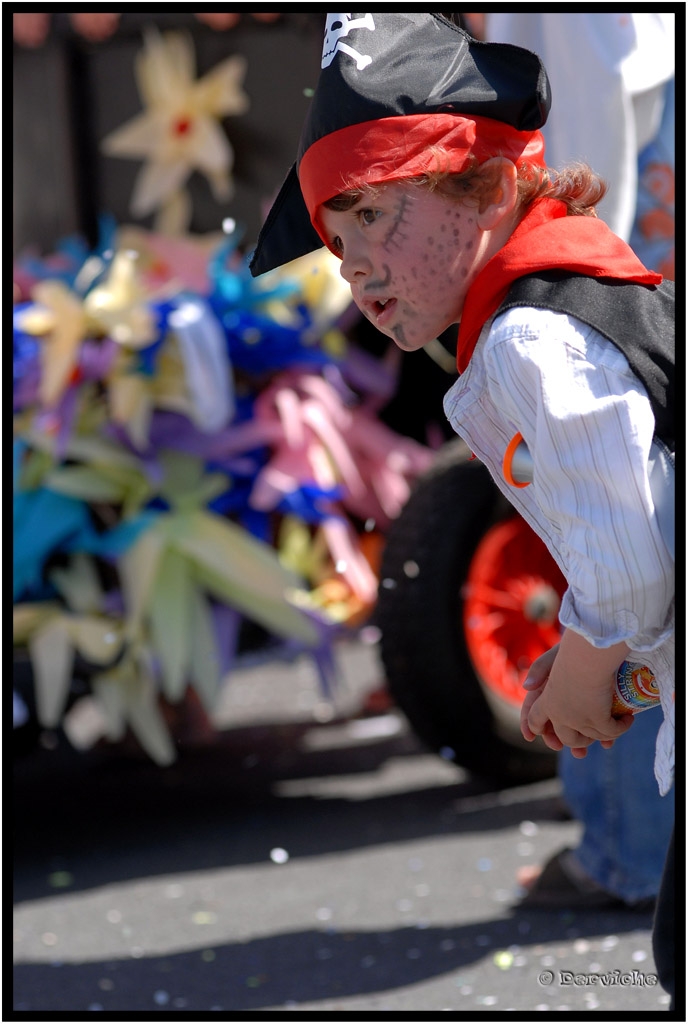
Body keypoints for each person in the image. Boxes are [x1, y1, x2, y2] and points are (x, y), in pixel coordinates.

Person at [248, 13, 675, 1007]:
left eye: (376, 214)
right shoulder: (537, 314)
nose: (351, 265)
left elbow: (631, 566)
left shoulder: (533, 341)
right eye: (336, 235)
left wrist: (587, 659)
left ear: (485, 182)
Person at [474, 11, 676, 914]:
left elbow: (587, 113)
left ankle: (630, 848)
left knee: (618, 536)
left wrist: (575, 291)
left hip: (609, 236)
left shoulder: (541, 336)